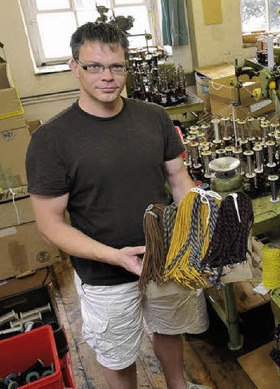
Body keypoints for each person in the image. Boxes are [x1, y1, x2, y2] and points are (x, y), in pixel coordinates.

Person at [26, 22, 209, 389]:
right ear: (74, 66)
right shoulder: (51, 141)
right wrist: (116, 257)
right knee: (118, 355)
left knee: (170, 331)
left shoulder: (153, 117)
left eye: (117, 66)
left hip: (165, 258)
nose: (107, 77)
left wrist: (200, 224)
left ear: (128, 67)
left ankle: (179, 386)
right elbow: (51, 224)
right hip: (105, 276)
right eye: (94, 66)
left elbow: (178, 180)